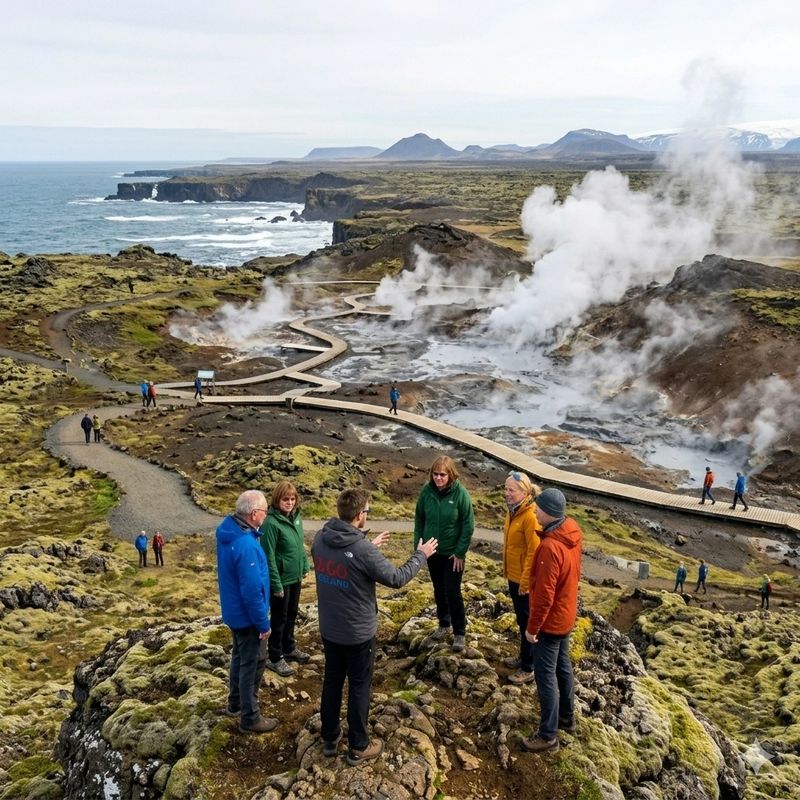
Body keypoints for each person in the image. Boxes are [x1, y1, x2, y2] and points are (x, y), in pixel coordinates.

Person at [313, 488, 437, 765]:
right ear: (359, 515)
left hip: (330, 629)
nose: (367, 515)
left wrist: (367, 545)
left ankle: (330, 737)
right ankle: (359, 745)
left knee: (332, 681)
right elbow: (396, 578)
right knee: (359, 685)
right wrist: (421, 554)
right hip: (357, 633)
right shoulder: (361, 550)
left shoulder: (321, 539)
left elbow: (346, 559)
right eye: (367, 511)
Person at [522, 488, 582, 754]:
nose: (534, 511)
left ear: (548, 512)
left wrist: (532, 629)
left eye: (538, 508)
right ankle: (567, 718)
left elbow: (544, 595)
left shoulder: (550, 546)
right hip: (566, 615)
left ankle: (548, 736)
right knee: (563, 667)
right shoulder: (571, 533)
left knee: (545, 677)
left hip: (550, 622)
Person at [216, 490, 277, 734]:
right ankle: (250, 718)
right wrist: (263, 624)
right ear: (254, 514)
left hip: (234, 613)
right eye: (264, 511)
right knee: (252, 664)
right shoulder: (246, 545)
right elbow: (252, 591)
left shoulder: (229, 532)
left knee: (240, 658)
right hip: (248, 617)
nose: (266, 515)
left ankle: (235, 704)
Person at [414, 455, 475, 652]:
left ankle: (459, 632)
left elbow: (468, 524)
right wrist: (419, 546)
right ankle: (443, 624)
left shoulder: (460, 494)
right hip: (432, 552)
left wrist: (460, 552)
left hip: (452, 555)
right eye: (435, 474)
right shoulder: (426, 491)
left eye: (442, 475)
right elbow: (419, 519)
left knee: (453, 591)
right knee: (439, 589)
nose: (438, 478)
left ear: (451, 475)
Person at [260, 481, 310, 678]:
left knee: (292, 614)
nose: (289, 503)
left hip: (294, 576)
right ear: (277, 500)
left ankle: (289, 648)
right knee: (279, 618)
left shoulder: (296, 518)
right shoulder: (271, 523)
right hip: (280, 580)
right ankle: (274, 656)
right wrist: (276, 583)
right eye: (285, 499)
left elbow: (300, 545)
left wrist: (305, 566)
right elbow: (268, 556)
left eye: (292, 499)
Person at [502, 471, 542, 685]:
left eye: (511, 490)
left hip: (523, 580)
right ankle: (524, 657)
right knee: (521, 619)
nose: (506, 493)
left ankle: (528, 667)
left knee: (527, 622)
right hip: (514, 575)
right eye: (505, 489)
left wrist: (525, 583)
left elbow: (533, 553)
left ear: (525, 493)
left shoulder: (529, 516)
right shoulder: (513, 511)